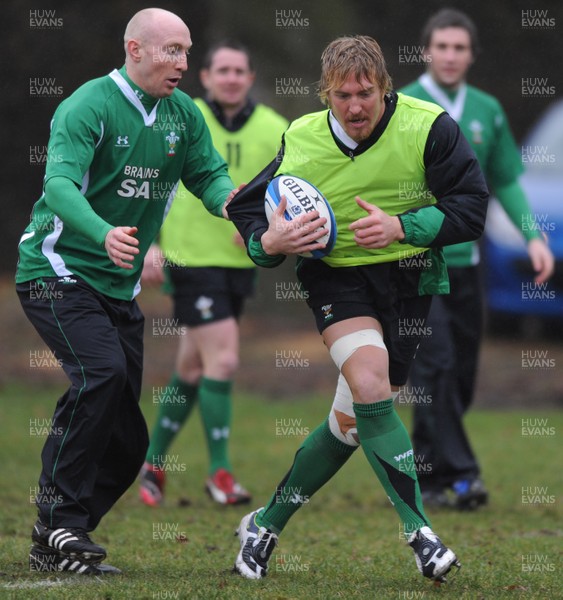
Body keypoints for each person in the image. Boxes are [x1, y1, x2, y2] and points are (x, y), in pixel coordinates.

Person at [226, 35, 489, 583]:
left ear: (383, 87)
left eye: (365, 93)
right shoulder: (301, 137)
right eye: (342, 95)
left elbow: (471, 206)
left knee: (352, 421)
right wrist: (267, 244)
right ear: (325, 93)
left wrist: (401, 226)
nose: (354, 106)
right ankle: (422, 534)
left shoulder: (428, 126)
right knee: (371, 387)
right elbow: (248, 206)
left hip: (412, 280)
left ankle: (265, 524)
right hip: (336, 279)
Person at [15, 8, 236, 575]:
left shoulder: (182, 114)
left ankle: (57, 538)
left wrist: (241, 212)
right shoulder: (88, 105)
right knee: (102, 375)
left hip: (118, 286)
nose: (183, 64)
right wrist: (103, 231)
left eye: (187, 52)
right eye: (171, 51)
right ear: (134, 49)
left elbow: (208, 176)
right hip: (56, 270)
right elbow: (59, 187)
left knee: (129, 438)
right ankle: (60, 520)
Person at [400, 8, 554, 510]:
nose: (450, 55)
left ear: (471, 55)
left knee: (459, 374)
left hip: (469, 265)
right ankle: (463, 477)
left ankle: (426, 473)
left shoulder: (486, 109)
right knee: (436, 365)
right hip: (418, 264)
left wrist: (532, 236)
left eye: (459, 48)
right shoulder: (402, 104)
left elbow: (506, 177)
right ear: (427, 50)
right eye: (441, 46)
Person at [139, 41, 288, 507]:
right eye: (221, 70)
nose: (229, 78)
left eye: (238, 71)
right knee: (222, 361)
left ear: (249, 77)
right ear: (204, 76)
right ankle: (219, 472)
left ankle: (151, 464)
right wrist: (152, 243)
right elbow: (150, 180)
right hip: (190, 256)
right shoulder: (179, 115)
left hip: (241, 263)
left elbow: (290, 187)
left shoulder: (275, 128)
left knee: (193, 367)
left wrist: (260, 227)